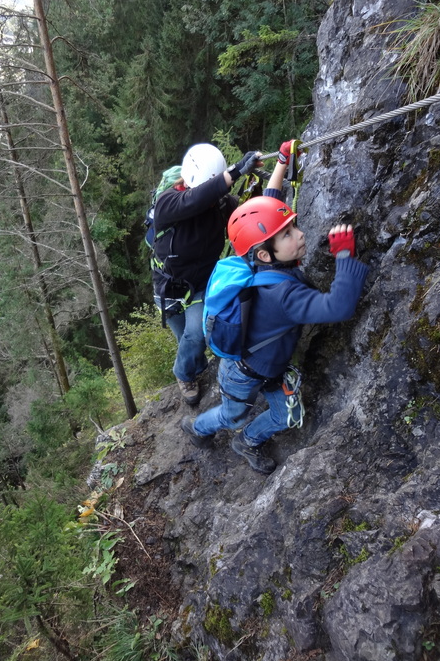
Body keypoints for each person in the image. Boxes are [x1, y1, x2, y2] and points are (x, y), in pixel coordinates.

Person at [181, 140, 369, 473]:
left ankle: (247, 440)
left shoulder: (257, 257)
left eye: (293, 227)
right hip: (244, 373)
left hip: (267, 365)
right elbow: (338, 307)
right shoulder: (282, 295)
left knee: (283, 416)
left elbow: (270, 205)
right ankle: (196, 429)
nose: (298, 235)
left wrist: (282, 162)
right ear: (266, 254)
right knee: (231, 414)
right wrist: (344, 255)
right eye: (288, 234)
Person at [152, 143, 262, 405]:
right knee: (186, 341)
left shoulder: (221, 206)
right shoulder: (167, 202)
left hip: (201, 285)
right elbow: (193, 201)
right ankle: (196, 367)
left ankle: (183, 374)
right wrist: (234, 172)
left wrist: (262, 182)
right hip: (168, 288)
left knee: (196, 334)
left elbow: (249, 214)